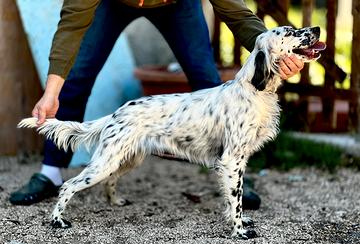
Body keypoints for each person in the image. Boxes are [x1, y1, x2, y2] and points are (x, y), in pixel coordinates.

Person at [9, 0, 303, 207]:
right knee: (77, 76)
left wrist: (276, 55)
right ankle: (51, 173)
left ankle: (233, 177)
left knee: (205, 75)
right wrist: (51, 92)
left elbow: (238, 15)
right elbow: (72, 25)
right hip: (113, 5)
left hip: (177, 6)